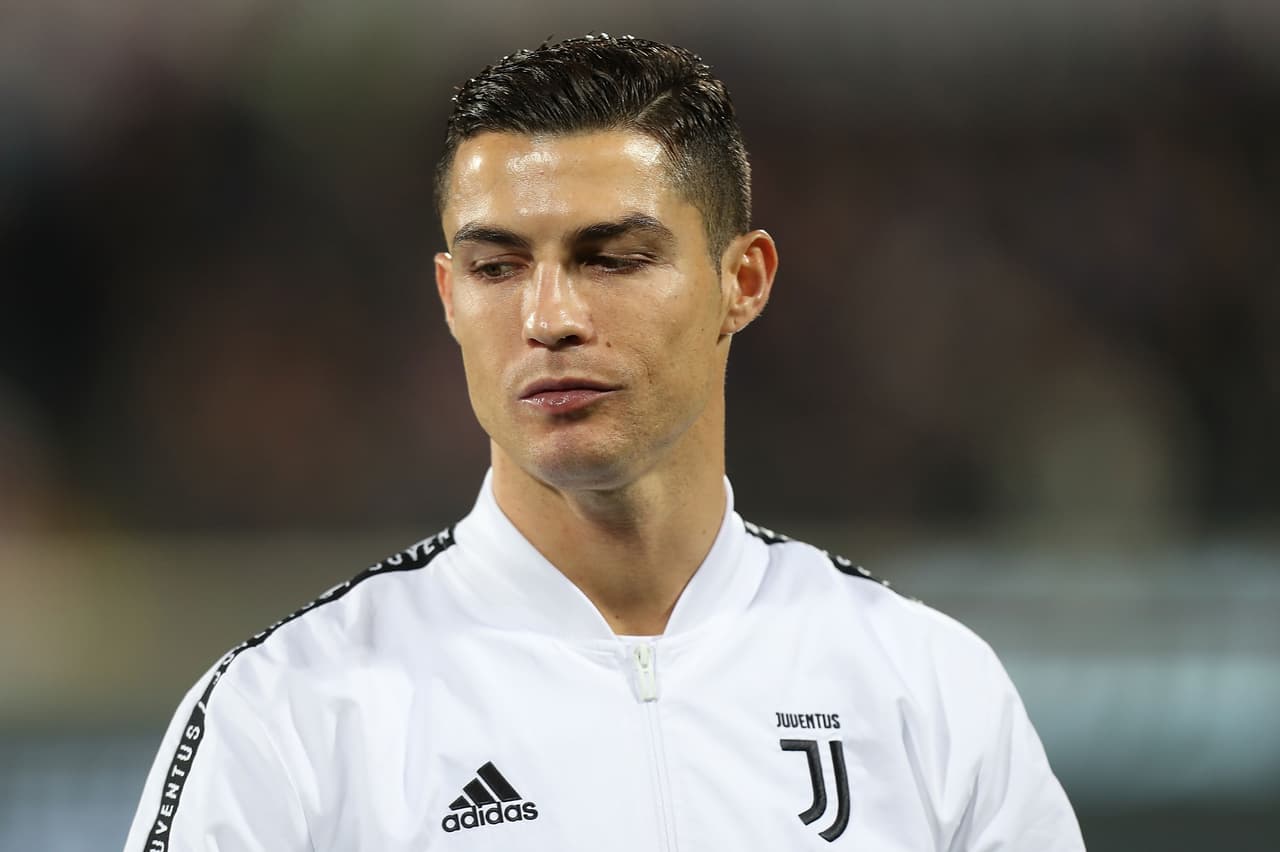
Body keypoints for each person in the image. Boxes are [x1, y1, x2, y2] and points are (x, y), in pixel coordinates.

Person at [124, 34, 1085, 850]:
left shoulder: (926, 690)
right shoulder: (290, 714)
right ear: (449, 298)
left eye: (613, 258)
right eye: (497, 267)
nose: (550, 317)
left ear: (742, 282)